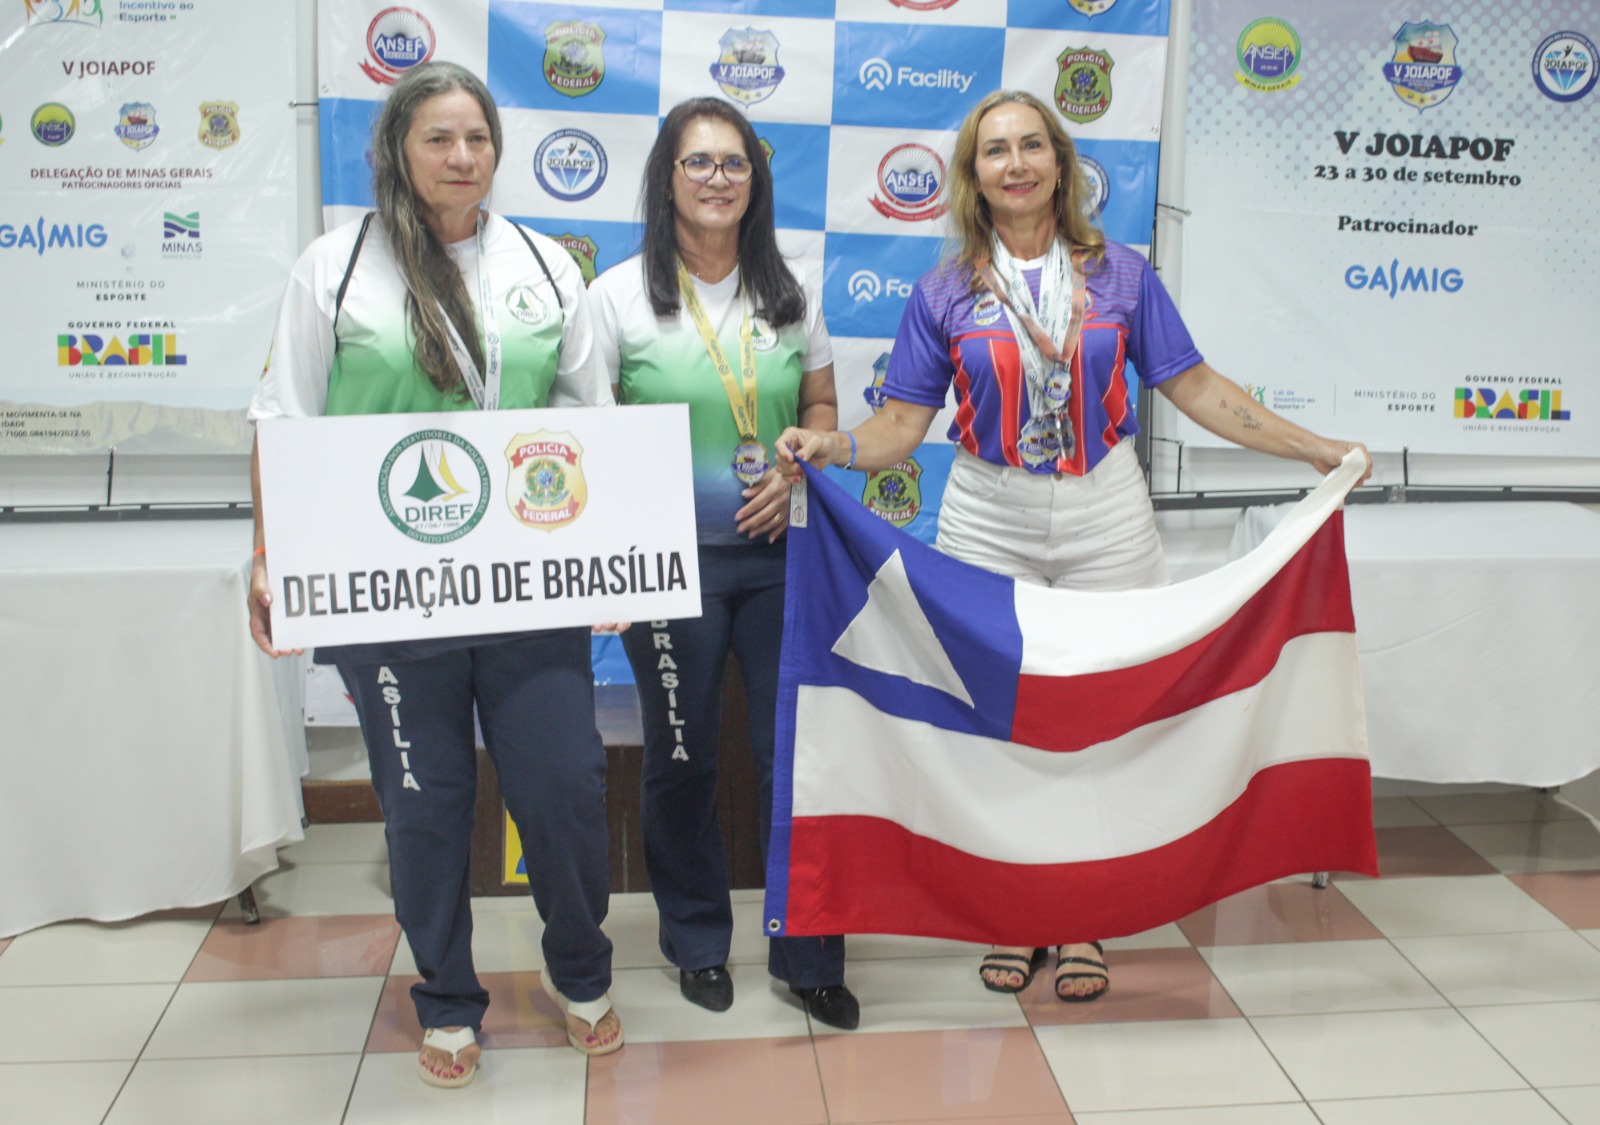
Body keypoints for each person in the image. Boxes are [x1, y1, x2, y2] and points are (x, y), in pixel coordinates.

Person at [777, 89, 1371, 1003]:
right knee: (999, 723)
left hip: (1105, 511)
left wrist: (1317, 449)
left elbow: (1201, 389)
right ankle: (1017, 911)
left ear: (1059, 161)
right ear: (973, 176)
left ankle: (1085, 917)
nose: (1014, 164)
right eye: (993, 151)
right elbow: (900, 424)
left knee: (1108, 715)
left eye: (1030, 146)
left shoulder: (1124, 276)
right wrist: (835, 448)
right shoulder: (944, 292)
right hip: (987, 510)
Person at [245, 61, 622, 1086]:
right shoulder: (334, 267)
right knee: (425, 801)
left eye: (478, 139)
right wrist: (271, 555)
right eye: (438, 139)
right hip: (390, 592)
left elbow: (594, 422)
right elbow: (282, 422)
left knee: (561, 789)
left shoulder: (545, 266)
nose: (462, 158)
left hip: (524, 591)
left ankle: (581, 973)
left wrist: (616, 564)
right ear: (398, 153)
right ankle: (448, 998)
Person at [588, 97, 859, 1029]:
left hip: (784, 558)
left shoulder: (793, 290)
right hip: (670, 568)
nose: (716, 179)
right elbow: (583, 439)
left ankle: (810, 954)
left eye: (733, 163)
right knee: (681, 756)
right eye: (697, 162)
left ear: (756, 181)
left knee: (797, 757)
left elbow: (822, 411)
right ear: (668, 178)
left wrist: (797, 475)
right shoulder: (618, 296)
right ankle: (698, 940)